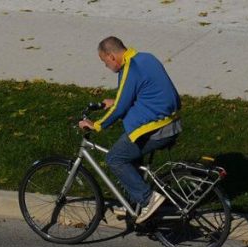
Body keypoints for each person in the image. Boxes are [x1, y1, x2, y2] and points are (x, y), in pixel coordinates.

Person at [78, 36, 182, 224]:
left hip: (155, 128)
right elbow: (139, 92)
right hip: (171, 121)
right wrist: (114, 102)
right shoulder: (145, 58)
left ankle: (147, 199)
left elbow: (120, 109)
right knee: (130, 157)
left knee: (115, 158)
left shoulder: (130, 68)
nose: (106, 66)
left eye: (104, 61)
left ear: (111, 56)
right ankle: (132, 202)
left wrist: (97, 125)